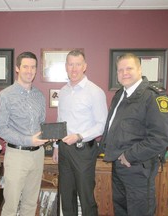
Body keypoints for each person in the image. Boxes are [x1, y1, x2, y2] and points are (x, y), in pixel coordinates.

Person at [101, 53, 168, 216]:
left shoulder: (154, 96)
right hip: (119, 166)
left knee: (139, 212)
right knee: (121, 210)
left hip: (138, 168)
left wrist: (129, 156)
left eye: (129, 68)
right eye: (120, 70)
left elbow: (160, 138)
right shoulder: (120, 94)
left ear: (140, 69)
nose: (124, 73)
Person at [52, 49, 108, 216]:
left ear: (85, 67)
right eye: (70, 64)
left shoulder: (95, 92)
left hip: (84, 151)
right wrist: (56, 146)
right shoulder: (63, 91)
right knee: (66, 197)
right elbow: (60, 120)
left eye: (78, 64)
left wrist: (79, 135)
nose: (74, 69)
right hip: (64, 151)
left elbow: (102, 125)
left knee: (86, 198)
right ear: (66, 67)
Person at [0, 51, 49, 216]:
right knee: (11, 205)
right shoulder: (5, 95)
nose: (29, 70)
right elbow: (0, 128)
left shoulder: (39, 96)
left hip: (38, 155)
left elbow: (42, 124)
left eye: (33, 67)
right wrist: (28, 140)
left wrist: (49, 135)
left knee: (30, 203)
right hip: (17, 155)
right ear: (17, 68)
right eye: (25, 66)